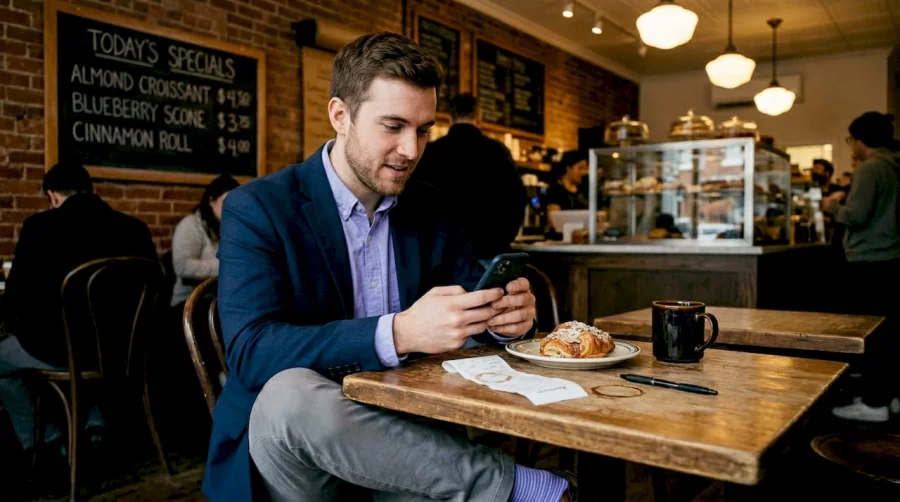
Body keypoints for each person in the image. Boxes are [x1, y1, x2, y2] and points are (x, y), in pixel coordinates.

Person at [204, 32, 575, 502]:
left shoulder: (430, 206)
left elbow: (471, 299)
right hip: (297, 449)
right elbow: (252, 353)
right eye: (393, 126)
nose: (411, 150)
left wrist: (502, 320)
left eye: (423, 130)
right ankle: (515, 486)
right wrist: (397, 333)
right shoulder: (259, 207)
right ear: (340, 116)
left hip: (407, 439)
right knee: (289, 395)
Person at [0, 161, 156, 460]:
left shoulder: (39, 227)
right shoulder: (135, 229)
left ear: (53, 195)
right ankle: (94, 424)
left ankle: (45, 443)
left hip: (62, 352)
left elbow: (17, 299)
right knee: (82, 343)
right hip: (122, 352)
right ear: (90, 190)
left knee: (6, 355)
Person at [825, 111, 900, 422]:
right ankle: (889, 397)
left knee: (871, 333)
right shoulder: (893, 165)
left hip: (870, 259)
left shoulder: (870, 168)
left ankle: (873, 403)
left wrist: (832, 206)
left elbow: (856, 215)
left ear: (859, 140)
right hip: (890, 258)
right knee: (889, 332)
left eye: (850, 140)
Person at [410, 93, 527, 263]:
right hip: (489, 252)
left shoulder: (430, 152)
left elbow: (414, 203)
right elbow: (517, 198)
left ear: (450, 118)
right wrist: (503, 239)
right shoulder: (497, 151)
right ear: (479, 118)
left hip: (440, 259)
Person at [170, 174, 239, 308]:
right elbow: (182, 266)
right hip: (189, 304)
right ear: (211, 201)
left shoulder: (231, 228)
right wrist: (227, 266)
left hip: (219, 301)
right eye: (228, 201)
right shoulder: (191, 224)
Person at [546, 150, 590, 214]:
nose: (584, 172)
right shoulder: (556, 191)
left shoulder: (584, 190)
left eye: (586, 169)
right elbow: (554, 217)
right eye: (581, 168)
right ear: (568, 168)